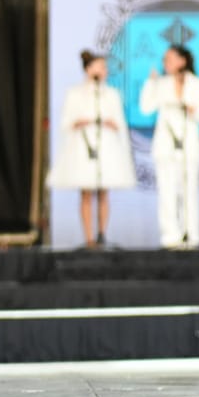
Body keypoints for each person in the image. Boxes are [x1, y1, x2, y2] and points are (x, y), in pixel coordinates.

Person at [47, 50, 136, 248]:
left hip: (105, 146)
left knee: (104, 192)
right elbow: (66, 122)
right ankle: (88, 238)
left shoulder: (111, 94)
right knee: (86, 193)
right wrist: (82, 121)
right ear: (89, 69)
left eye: (105, 68)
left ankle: (102, 233)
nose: (103, 71)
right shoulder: (75, 93)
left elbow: (120, 122)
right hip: (84, 146)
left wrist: (110, 123)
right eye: (100, 67)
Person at [140, 43, 199, 249]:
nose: (166, 63)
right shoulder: (160, 84)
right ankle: (170, 236)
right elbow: (146, 108)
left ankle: (191, 234)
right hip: (166, 144)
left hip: (189, 144)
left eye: (169, 59)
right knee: (167, 191)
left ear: (183, 60)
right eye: (164, 60)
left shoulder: (198, 84)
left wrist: (193, 110)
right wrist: (150, 83)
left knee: (189, 192)